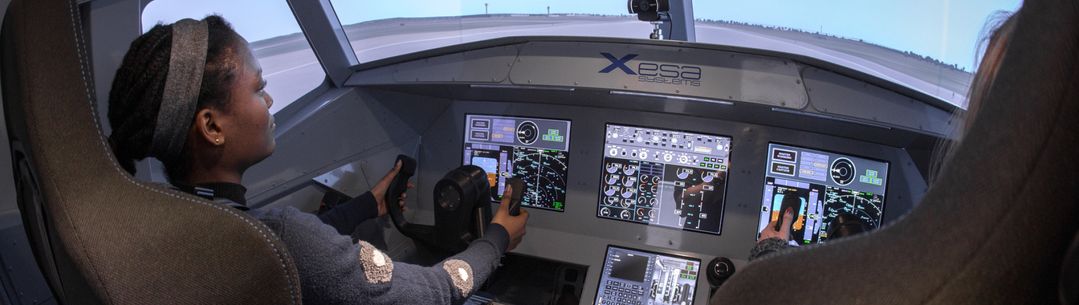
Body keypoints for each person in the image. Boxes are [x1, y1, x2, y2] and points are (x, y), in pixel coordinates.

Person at [106, 15, 529, 304]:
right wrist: (496, 238)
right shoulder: (285, 236)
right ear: (211, 126)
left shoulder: (178, 218)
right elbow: (432, 291)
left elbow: (284, 250)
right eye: (257, 90)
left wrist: (367, 206)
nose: (270, 100)